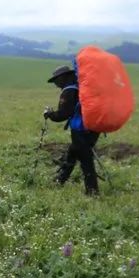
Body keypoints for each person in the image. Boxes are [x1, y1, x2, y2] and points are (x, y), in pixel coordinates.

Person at [43, 64, 100, 196]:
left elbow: (62, 115)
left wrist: (49, 114)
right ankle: (60, 180)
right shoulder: (79, 88)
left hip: (80, 130)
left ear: (63, 77)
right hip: (93, 128)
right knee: (73, 152)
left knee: (86, 160)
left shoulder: (69, 91)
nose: (55, 84)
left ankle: (92, 192)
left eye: (56, 80)